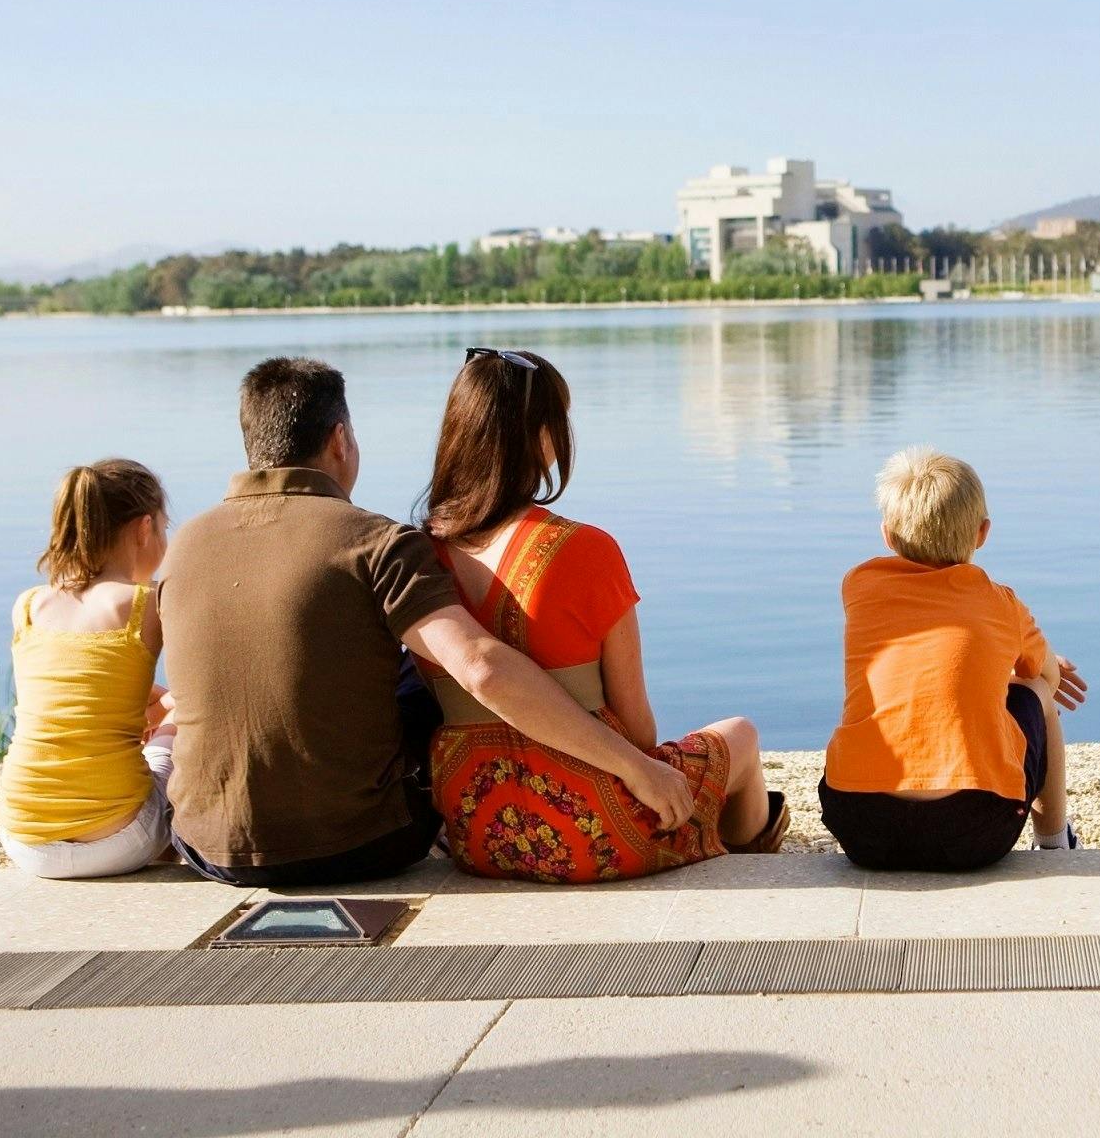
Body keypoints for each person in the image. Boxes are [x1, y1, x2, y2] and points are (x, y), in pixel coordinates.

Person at [162, 356, 698, 888]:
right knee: (417, 675)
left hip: (207, 847)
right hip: (359, 844)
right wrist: (634, 765)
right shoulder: (370, 541)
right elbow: (481, 669)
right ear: (341, 440)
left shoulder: (181, 548)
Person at [419, 347, 785, 881]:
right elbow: (638, 732)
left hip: (479, 831)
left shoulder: (416, 559)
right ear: (541, 437)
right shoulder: (586, 550)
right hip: (593, 830)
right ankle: (751, 868)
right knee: (742, 736)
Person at [818, 446, 1087, 871]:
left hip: (861, 826)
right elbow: (1046, 678)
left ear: (887, 535)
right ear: (982, 533)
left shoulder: (859, 586)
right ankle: (1054, 842)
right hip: (974, 831)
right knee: (1033, 690)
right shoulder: (1001, 604)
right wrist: (1039, 663)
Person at [0, 459, 179, 879]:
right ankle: (179, 844)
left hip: (25, 841)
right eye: (165, 528)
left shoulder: (29, 606)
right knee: (181, 725)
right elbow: (197, 694)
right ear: (144, 528)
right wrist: (166, 711)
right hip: (119, 841)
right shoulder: (147, 602)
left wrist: (149, 705)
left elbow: (83, 690)